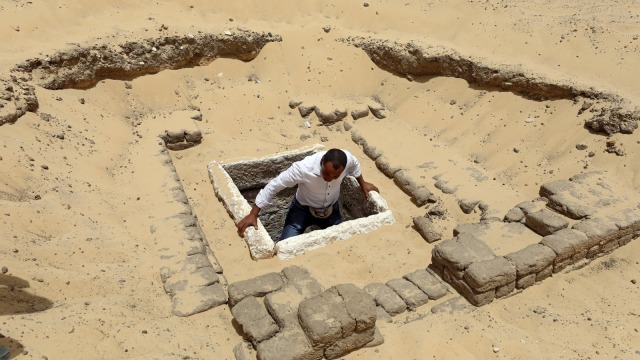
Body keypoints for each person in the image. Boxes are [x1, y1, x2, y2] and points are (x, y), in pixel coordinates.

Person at [236, 148, 379, 241]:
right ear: (322, 161)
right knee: (285, 246)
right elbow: (275, 185)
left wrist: (363, 183)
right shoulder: (303, 169)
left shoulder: (347, 159)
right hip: (301, 211)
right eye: (326, 173)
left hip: (331, 211)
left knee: (346, 242)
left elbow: (355, 166)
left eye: (336, 176)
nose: (330, 178)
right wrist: (253, 213)